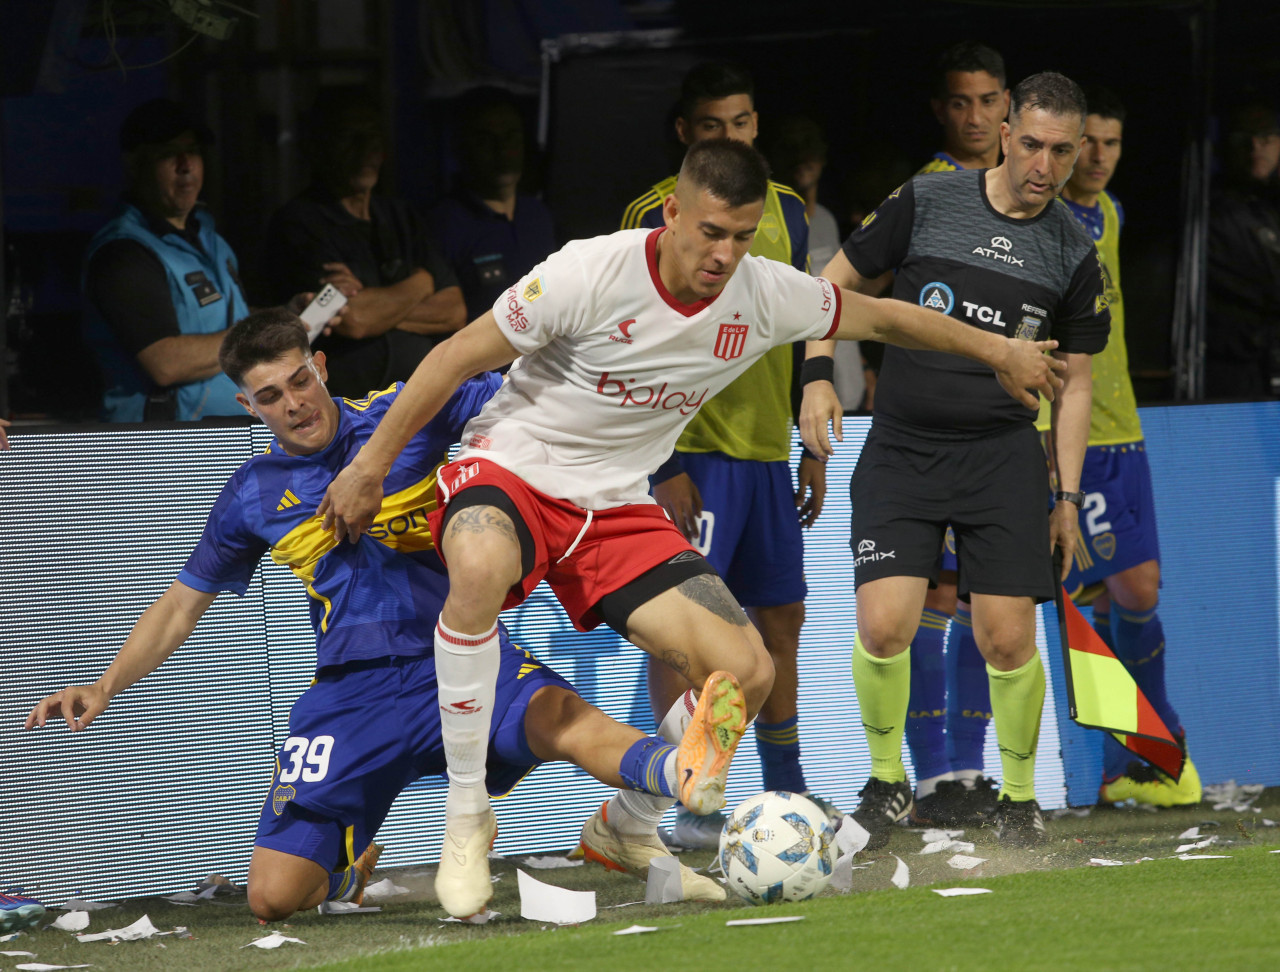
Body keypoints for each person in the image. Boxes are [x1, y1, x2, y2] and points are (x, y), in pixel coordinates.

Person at [318, 137, 1064, 912]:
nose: (724, 254)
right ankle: (467, 817)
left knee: (749, 670)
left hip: (615, 505)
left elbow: (885, 317)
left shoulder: (764, 293)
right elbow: (454, 356)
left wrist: (998, 350)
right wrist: (368, 467)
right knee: (476, 567)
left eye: (741, 237)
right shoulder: (587, 270)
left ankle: (624, 822)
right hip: (515, 470)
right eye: (710, 232)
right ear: (672, 213)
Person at [25, 309, 731, 921]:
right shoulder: (250, 495)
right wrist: (107, 684)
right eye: (271, 396)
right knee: (272, 897)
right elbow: (182, 604)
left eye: (300, 379)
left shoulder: (405, 415)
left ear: (321, 365)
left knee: (560, 721)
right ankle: (346, 867)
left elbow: (526, 392)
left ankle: (676, 775)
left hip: (456, 655)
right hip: (349, 695)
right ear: (248, 407)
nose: (295, 402)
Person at [801, 72, 1109, 849]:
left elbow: (1073, 389)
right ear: (1004, 131)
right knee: (884, 625)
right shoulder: (928, 199)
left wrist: (1066, 497)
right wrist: (813, 376)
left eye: (1062, 152)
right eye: (1032, 144)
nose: (1045, 165)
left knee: (1006, 639)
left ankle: (1016, 797)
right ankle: (885, 782)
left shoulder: (1075, 253)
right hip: (902, 446)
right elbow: (831, 287)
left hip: (1000, 459)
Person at [620, 62, 831, 849]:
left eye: (742, 123)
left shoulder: (787, 210)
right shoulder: (652, 214)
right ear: (685, 135)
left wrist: (808, 419)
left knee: (783, 618)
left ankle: (789, 794)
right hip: (694, 452)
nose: (732, 138)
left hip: (765, 454)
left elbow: (811, 317)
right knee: (686, 633)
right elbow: (633, 339)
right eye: (714, 126)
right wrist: (662, 461)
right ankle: (689, 801)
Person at [1043, 86, 1201, 806]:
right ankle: (1121, 759)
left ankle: (1145, 756)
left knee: (1137, 591)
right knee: (1079, 598)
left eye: (1111, 143)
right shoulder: (1037, 220)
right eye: (1089, 143)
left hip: (1124, 426)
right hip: (1067, 433)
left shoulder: (1110, 212)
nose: (1100, 157)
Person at [904, 41, 1013, 828]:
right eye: (960, 102)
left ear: (1008, 104)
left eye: (988, 100)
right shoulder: (924, 196)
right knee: (931, 597)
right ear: (942, 111)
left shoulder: (1033, 197)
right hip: (932, 431)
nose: (975, 117)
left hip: (1004, 434)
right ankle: (932, 778)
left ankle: (972, 775)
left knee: (984, 600)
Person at [83, 98, 279, 422]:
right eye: (168, 153)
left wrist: (287, 314)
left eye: (194, 151)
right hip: (164, 447)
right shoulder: (122, 252)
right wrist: (264, 333)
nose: (186, 164)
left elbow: (232, 322)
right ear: (135, 163)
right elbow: (165, 363)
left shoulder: (212, 240)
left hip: (234, 431)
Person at [262, 90, 467, 399]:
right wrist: (422, 284)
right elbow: (353, 320)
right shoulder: (300, 221)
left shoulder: (401, 216)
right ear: (320, 146)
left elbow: (454, 311)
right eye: (349, 137)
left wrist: (378, 312)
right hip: (347, 408)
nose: (364, 149)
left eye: (372, 135)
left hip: (418, 401)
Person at [765, 114, 871, 412]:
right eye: (792, 148)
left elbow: (842, 299)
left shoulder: (826, 219)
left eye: (809, 148)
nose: (802, 157)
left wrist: (862, 367)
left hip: (847, 381)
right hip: (801, 388)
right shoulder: (769, 226)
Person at [428, 87, 558, 322]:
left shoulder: (538, 215)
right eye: (485, 140)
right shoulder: (445, 225)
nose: (502, 151)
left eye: (511, 136)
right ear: (461, 148)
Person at [1205, 99, 1280, 398]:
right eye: (1242, 139)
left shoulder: (1269, 207)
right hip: (1234, 374)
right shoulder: (1211, 211)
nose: (1255, 148)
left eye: (1266, 138)